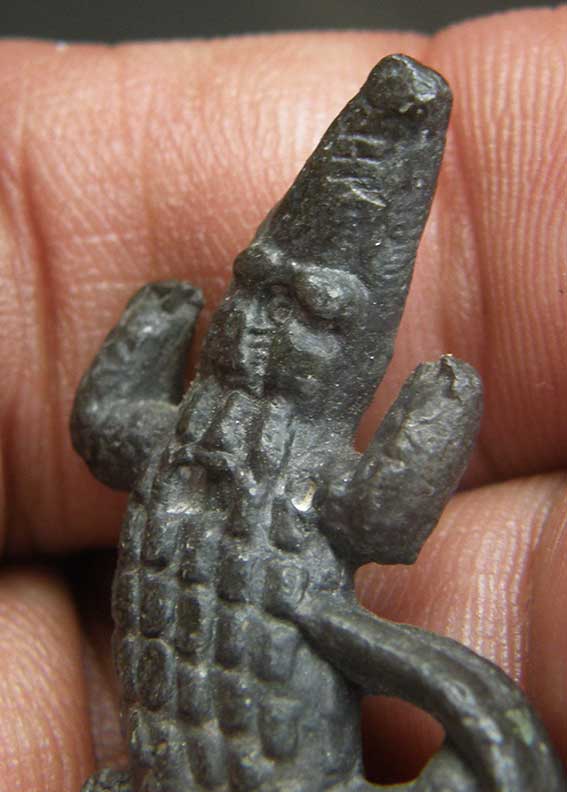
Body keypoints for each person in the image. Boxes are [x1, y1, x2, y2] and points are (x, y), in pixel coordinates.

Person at [0, 8, 565, 790]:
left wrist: (438, 411)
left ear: (343, 349)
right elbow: (101, 430)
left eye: (309, 314)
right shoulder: (177, 438)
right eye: (254, 291)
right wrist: (154, 328)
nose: (261, 325)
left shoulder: (309, 472)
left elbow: (386, 518)